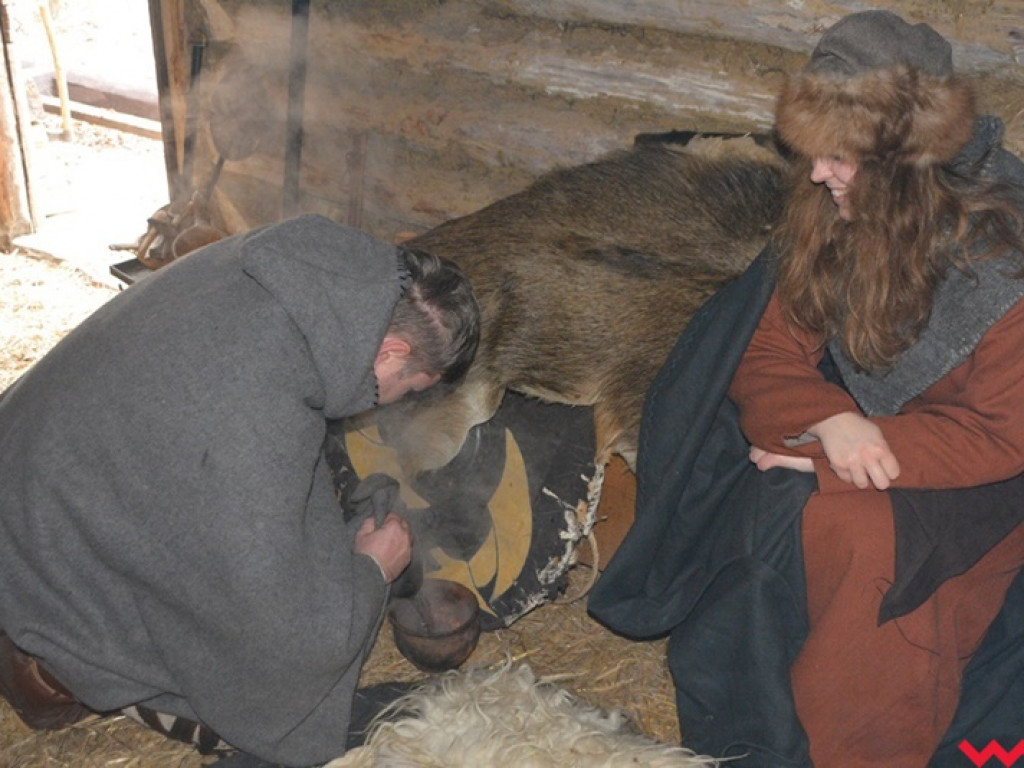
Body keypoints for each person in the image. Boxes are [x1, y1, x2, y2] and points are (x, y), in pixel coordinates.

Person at [589, 10, 1024, 767]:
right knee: (763, 507)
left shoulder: (1006, 258)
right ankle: (755, 732)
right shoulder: (832, 213)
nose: (820, 175)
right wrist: (824, 420)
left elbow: (1000, 435)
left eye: (842, 160)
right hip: (864, 439)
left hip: (982, 481)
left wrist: (850, 449)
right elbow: (761, 345)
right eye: (815, 155)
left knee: (855, 540)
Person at [0, 213, 479, 766]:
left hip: (36, 459)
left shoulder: (292, 272)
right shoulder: (256, 412)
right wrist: (371, 573)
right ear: (392, 352)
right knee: (255, 697)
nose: (393, 401)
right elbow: (282, 634)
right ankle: (47, 666)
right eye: (408, 389)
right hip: (37, 552)